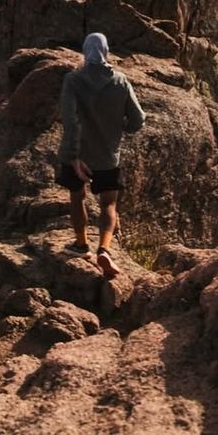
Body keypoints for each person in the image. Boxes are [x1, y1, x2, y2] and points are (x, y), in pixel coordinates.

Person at [57, 31, 145, 279]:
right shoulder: (120, 81)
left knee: (77, 197)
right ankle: (104, 249)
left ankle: (81, 245)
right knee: (109, 203)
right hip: (107, 154)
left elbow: (70, 120)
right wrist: (119, 130)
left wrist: (74, 156)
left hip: (78, 156)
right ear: (106, 52)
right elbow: (138, 119)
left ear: (85, 52)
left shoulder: (73, 81)